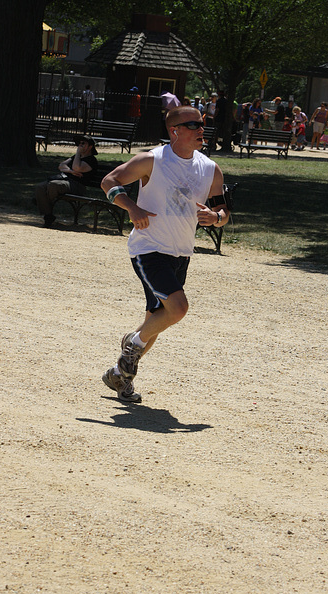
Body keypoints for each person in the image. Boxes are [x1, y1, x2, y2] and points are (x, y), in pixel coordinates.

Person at [100, 106, 230, 403]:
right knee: (178, 308)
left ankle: (119, 376)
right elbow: (109, 181)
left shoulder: (210, 168)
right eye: (194, 125)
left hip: (181, 252)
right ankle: (131, 345)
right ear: (175, 131)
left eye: (203, 124)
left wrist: (217, 217)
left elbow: (223, 210)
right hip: (149, 247)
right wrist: (132, 208)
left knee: (156, 321)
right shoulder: (152, 160)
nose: (201, 130)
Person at [35, 134, 98, 228]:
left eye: (83, 143)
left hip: (78, 186)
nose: (80, 145)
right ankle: (48, 216)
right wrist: (70, 171)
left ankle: (41, 201)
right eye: (79, 143)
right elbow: (61, 165)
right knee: (40, 187)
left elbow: (77, 167)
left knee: (53, 185)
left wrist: (77, 153)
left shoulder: (91, 160)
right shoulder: (75, 157)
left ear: (90, 146)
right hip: (65, 181)